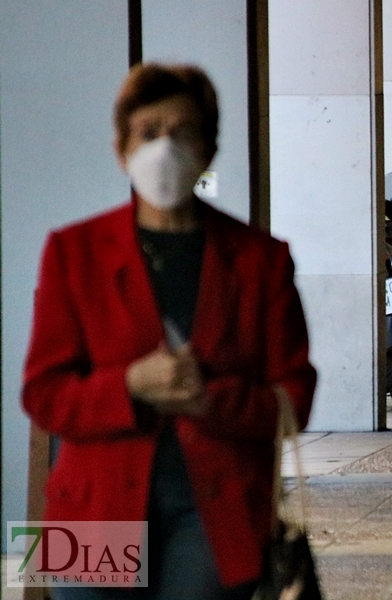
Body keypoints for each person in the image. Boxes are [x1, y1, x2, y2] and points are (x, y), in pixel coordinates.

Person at [22, 63, 318, 599]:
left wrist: (210, 398)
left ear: (208, 151)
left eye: (183, 132)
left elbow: (294, 398)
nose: (165, 147)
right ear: (121, 150)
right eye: (148, 132)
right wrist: (130, 385)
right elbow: (42, 395)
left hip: (217, 510)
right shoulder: (72, 252)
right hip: (89, 510)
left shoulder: (260, 260)